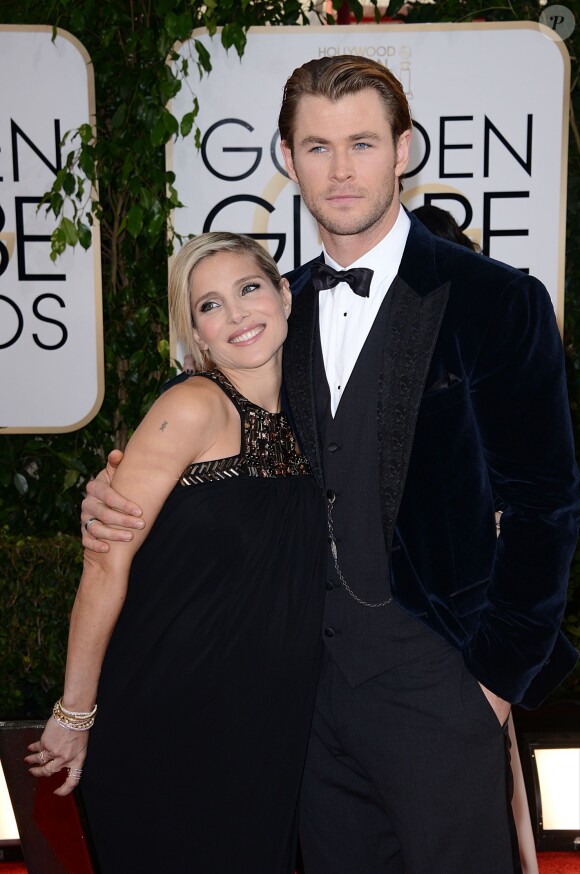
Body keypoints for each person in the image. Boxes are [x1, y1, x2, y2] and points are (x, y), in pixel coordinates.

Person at [80, 56, 580, 874]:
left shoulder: (498, 301)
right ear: (286, 159)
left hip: (438, 685)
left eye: (361, 144)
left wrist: (492, 685)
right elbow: (212, 444)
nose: (341, 171)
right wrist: (110, 488)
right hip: (300, 696)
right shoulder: (279, 307)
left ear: (403, 149)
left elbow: (546, 506)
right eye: (317, 147)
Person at [26, 232, 327, 874]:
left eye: (248, 289)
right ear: (196, 335)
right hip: (174, 708)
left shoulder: (318, 414)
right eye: (210, 305)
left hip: (271, 719)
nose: (238, 314)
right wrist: (75, 711)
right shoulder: (192, 405)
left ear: (284, 296)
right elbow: (106, 559)